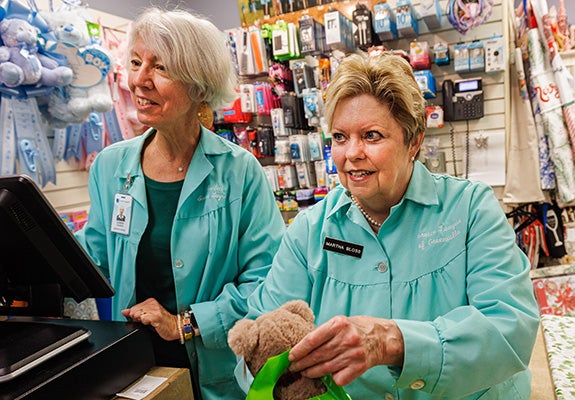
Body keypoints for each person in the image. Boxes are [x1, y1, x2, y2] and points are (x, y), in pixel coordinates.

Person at [242, 53, 540, 399]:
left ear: (413, 141)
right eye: (340, 137)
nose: (351, 153)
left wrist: (394, 342)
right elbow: (259, 341)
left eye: (371, 135)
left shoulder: (470, 209)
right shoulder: (309, 232)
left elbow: (511, 330)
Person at [75, 7, 285, 399]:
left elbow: (266, 281)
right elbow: (93, 262)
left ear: (199, 87)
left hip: (215, 373)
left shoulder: (239, 171)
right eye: (136, 62)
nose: (139, 80)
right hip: (131, 369)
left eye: (161, 68)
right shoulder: (110, 166)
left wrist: (183, 324)